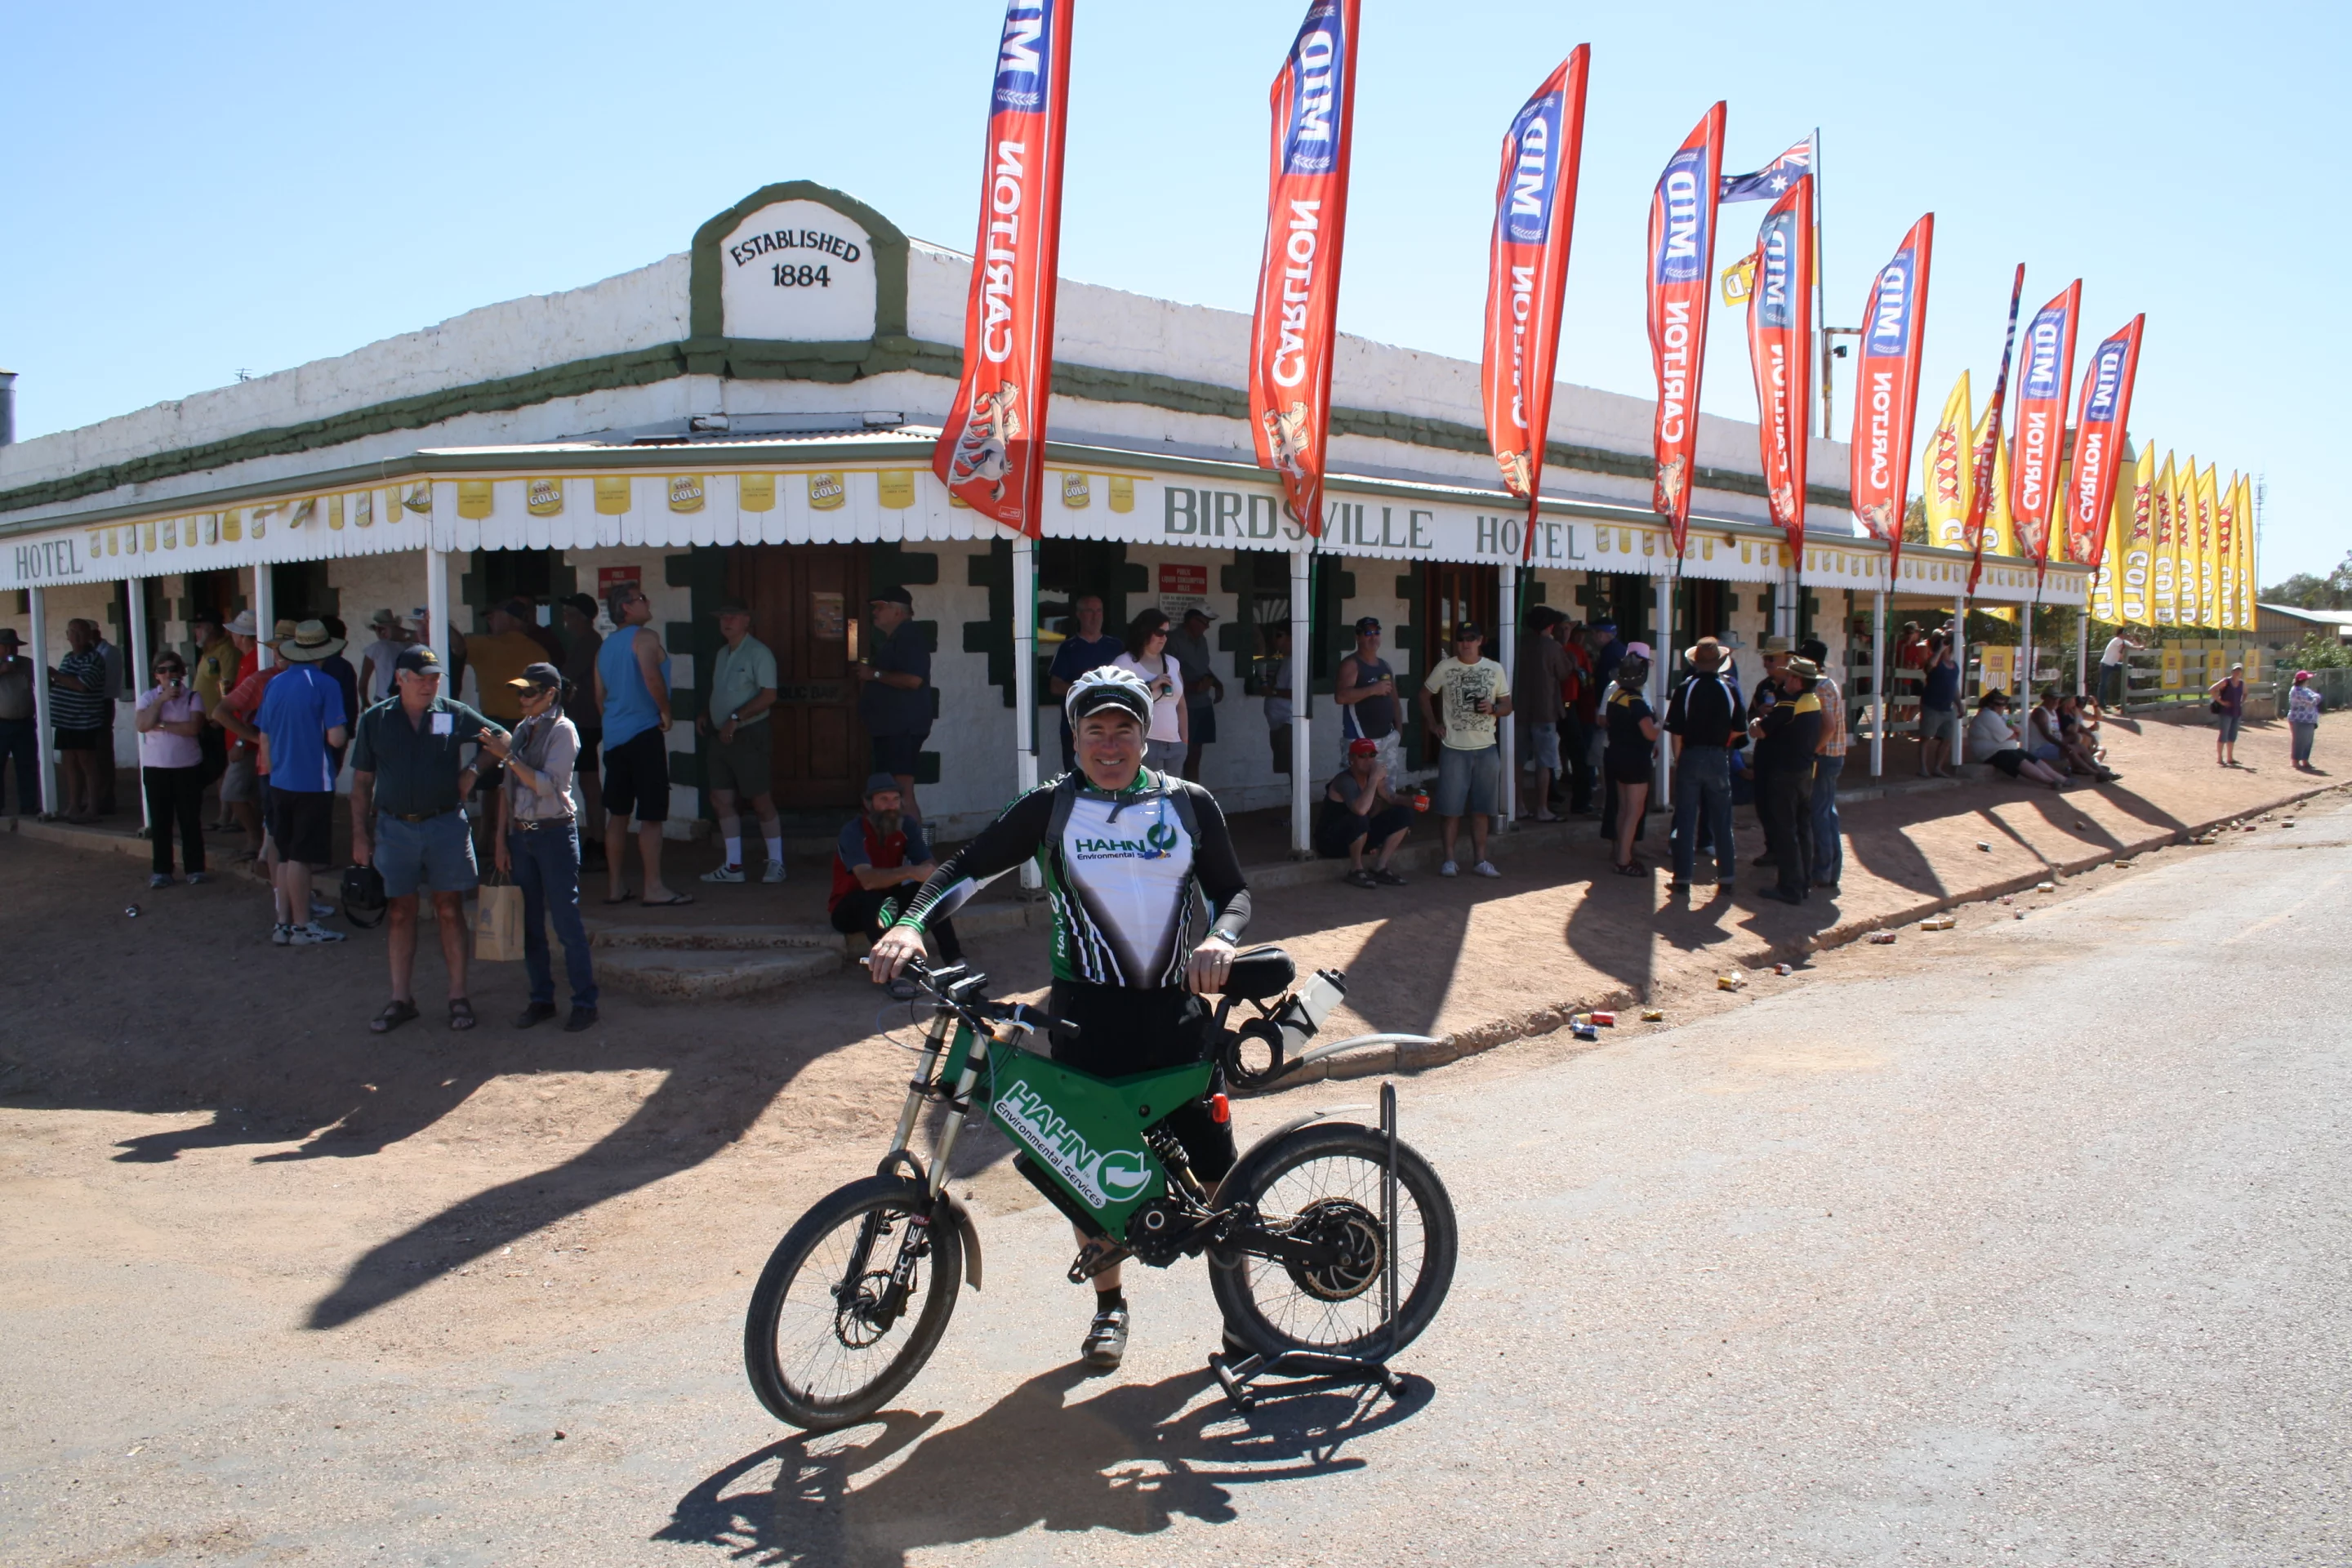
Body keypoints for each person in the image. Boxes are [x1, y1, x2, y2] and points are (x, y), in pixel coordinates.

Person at [865, 666, 1250, 1371]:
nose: (1110, 744)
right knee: (1087, 1175)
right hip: (1084, 1018)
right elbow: (966, 867)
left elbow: (1233, 893)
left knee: (1221, 1174)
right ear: (1073, 738)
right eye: (1094, 730)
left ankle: (1244, 1319)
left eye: (1124, 729)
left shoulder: (1191, 804)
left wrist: (1221, 937)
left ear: (1144, 735)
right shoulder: (1051, 807)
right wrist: (912, 924)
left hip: (1175, 1017)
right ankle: (1110, 1308)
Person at [350, 645, 506, 1032]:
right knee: (400, 912)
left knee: (449, 909)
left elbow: (502, 738)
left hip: (445, 826)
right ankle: (401, 999)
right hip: (394, 828)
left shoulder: (450, 713)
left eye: (434, 676)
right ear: (400, 679)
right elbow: (362, 782)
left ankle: (458, 997)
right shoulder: (376, 720)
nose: (429, 684)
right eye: (420, 677)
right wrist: (359, 834)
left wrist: (472, 771)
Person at [488, 662, 599, 1032]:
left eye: (529, 693)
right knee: (530, 924)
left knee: (566, 922)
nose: (521, 698)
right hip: (522, 836)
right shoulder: (521, 730)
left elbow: (547, 785)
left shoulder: (563, 730)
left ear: (550, 694)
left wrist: (508, 755)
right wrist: (501, 839)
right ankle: (541, 999)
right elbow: (508, 788)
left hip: (554, 835)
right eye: (519, 692)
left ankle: (585, 1001)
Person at [253, 621, 351, 946]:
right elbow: (336, 738)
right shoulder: (326, 684)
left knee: (283, 853)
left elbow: (264, 735)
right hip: (312, 780)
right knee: (301, 855)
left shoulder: (275, 684)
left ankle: (283, 923)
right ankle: (303, 924)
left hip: (278, 777)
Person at [595, 583, 688, 906]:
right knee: (651, 815)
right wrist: (665, 711)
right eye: (641, 599)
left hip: (615, 738)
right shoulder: (645, 638)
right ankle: (654, 888)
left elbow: (599, 696)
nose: (648, 602)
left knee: (617, 814)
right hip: (644, 733)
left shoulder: (605, 647)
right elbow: (651, 677)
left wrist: (615, 722)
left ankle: (615, 887)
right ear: (627, 608)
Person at [829, 772, 963, 969]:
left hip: (889, 903)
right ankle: (894, 970)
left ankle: (957, 962)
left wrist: (933, 875)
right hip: (850, 909)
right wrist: (910, 871)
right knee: (871, 898)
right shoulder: (853, 831)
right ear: (868, 804)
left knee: (929, 891)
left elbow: (929, 867)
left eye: (896, 799)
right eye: (884, 799)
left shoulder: (907, 826)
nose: (891, 806)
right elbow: (867, 880)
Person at [698, 597, 785, 884]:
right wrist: (707, 714)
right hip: (719, 734)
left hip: (749, 734)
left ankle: (776, 862)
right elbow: (721, 691)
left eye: (734, 616)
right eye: (723, 616)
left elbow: (769, 694)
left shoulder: (759, 653)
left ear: (747, 620)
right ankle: (733, 866)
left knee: (760, 799)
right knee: (720, 798)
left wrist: (735, 719)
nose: (727, 621)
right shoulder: (723, 653)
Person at [1416, 622, 1510, 878]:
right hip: (1454, 747)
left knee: (1482, 808)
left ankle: (1480, 860)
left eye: (1471, 638)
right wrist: (1433, 724)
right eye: (1461, 639)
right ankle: (1449, 860)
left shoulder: (1495, 668)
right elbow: (1424, 695)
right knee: (1450, 808)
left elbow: (1507, 705)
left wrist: (1493, 709)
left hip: (1487, 747)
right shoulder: (1445, 667)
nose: (1465, 643)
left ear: (1481, 640)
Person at [1665, 636, 1742, 893]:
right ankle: (1727, 877)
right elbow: (1740, 729)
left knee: (1685, 819)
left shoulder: (1685, 688)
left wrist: (1679, 759)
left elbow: (1675, 731)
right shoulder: (1729, 688)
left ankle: (1682, 878)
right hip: (1718, 756)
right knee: (1722, 819)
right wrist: (1723, 746)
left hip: (1691, 754)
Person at [1748, 657, 1824, 905]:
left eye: (1791, 675)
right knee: (1803, 830)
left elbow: (1760, 730)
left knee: (1785, 831)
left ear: (1798, 680)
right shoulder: (1812, 701)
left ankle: (1789, 887)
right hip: (1804, 771)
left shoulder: (1790, 704)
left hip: (1785, 774)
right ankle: (1802, 884)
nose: (1786, 678)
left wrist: (1755, 721)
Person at [855, 584, 933, 818]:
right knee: (891, 792)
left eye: (880, 607)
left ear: (898, 611)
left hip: (903, 728)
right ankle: (898, 849)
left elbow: (913, 680)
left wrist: (874, 674)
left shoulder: (911, 637)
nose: (875, 613)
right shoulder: (897, 638)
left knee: (902, 792)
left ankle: (916, 852)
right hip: (891, 727)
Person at [135, 648, 211, 888]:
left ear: (182, 672)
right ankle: (162, 870)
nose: (168, 674)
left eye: (173, 669)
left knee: (190, 820)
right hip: (156, 768)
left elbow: (193, 728)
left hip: (187, 767)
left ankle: (195, 868)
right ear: (156, 675)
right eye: (162, 670)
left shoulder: (193, 697)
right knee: (160, 822)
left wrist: (163, 724)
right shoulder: (149, 698)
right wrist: (161, 700)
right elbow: (142, 725)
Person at [207, 612, 266, 852]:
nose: (231, 635)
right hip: (242, 739)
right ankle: (259, 841)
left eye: (234, 632)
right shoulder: (246, 660)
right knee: (250, 793)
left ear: (244, 636)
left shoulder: (254, 662)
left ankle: (255, 840)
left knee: (233, 792)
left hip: (246, 742)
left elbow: (254, 710)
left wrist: (243, 741)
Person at [1317, 737, 1413, 886]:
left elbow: (1390, 797)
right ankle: (1356, 870)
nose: (1368, 760)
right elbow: (1360, 810)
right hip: (1331, 841)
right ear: (1352, 759)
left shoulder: (1371, 778)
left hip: (1358, 837)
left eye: (1372, 755)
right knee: (1359, 817)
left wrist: (1412, 800)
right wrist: (1374, 779)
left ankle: (1380, 867)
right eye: (1363, 756)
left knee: (1404, 813)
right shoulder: (1344, 780)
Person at [1046, 592, 1124, 772]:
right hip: (1076, 729)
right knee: (1078, 782)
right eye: (1089, 611)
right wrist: (1084, 685)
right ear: (1079, 615)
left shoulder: (1117, 647)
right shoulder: (1068, 648)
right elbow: (1055, 686)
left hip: (1113, 728)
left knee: (1111, 780)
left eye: (1099, 611)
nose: (1095, 616)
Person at [47, 618, 113, 822]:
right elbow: (65, 682)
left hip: (84, 720)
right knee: (69, 762)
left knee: (87, 763)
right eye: (72, 632)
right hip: (65, 720)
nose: (76, 636)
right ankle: (73, 805)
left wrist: (56, 676)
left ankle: (93, 807)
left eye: (80, 632)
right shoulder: (68, 657)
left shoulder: (94, 658)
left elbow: (83, 685)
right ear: (67, 635)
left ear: (89, 636)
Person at [1602, 648, 1659, 876]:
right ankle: (1624, 859)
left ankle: (1620, 853)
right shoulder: (1636, 701)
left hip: (1616, 754)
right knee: (1633, 811)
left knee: (1624, 809)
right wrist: (1662, 723)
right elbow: (1650, 733)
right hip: (1634, 759)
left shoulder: (1615, 696)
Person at [1112, 608, 1187, 774]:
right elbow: (1114, 701)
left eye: (1167, 634)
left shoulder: (1173, 663)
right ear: (1146, 632)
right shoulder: (1125, 662)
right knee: (1145, 796)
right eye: (1160, 633)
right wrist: (1149, 686)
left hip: (1175, 744)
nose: (1164, 638)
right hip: (1143, 742)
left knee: (1171, 796)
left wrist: (1184, 741)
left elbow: (1181, 705)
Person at [557, 593, 605, 852]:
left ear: (583, 617)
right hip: (581, 720)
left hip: (586, 721)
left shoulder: (590, 641)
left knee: (588, 780)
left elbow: (565, 677)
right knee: (586, 780)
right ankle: (595, 836)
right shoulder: (583, 641)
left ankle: (598, 839)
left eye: (570, 612)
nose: (565, 617)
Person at [1515, 609, 1573, 823]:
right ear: (1550, 627)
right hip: (1545, 711)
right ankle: (1542, 808)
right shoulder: (1552, 647)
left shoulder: (1518, 644)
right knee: (1545, 762)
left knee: (1517, 761)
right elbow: (1564, 673)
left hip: (1518, 710)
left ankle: (1518, 805)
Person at [1798, 637, 1846, 894]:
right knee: (1828, 813)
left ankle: (1823, 871)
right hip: (1833, 755)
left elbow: (1828, 725)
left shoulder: (1820, 687)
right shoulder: (1828, 684)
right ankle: (1830, 870)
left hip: (1825, 756)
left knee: (1819, 814)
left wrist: (1813, 749)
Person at [1334, 616, 1405, 782]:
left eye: (1376, 632)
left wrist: (1398, 731)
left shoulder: (1384, 665)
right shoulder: (1351, 664)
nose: (1373, 637)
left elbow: (1394, 700)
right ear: (1357, 637)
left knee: (1388, 788)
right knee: (1360, 789)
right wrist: (1373, 689)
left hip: (1388, 738)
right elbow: (1341, 696)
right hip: (1361, 739)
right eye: (1367, 633)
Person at [1166, 607, 1223, 782]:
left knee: (1196, 756)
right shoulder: (1173, 641)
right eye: (1204, 622)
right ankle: (1178, 800)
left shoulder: (1202, 640)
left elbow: (1203, 667)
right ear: (1192, 620)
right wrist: (1192, 687)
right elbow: (1167, 675)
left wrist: (1216, 683)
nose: (1206, 627)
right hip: (1183, 707)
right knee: (1181, 756)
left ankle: (1193, 798)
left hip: (1202, 705)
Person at [1967, 692, 2066, 791]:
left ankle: (2060, 778)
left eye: (2003, 704)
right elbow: (2010, 735)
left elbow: (2017, 728)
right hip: (1991, 753)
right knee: (2018, 760)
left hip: (2004, 749)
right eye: (1999, 704)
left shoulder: (2001, 717)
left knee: (2029, 757)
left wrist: (2014, 731)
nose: (2002, 707)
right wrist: (2014, 732)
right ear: (1991, 705)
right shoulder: (1988, 715)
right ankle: (2050, 781)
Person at [1562, 621, 1598, 814]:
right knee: (1576, 750)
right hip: (1563, 704)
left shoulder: (1580, 651)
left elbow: (1587, 681)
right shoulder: (1559, 649)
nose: (1579, 636)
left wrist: (1579, 669)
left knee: (1579, 749)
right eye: (1575, 632)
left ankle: (1582, 796)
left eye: (1581, 633)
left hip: (1575, 704)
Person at [0, 629, 37, 818]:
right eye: (5, 646)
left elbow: (42, 682)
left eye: (13, 647)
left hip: (24, 721)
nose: (10, 651)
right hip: (1, 722)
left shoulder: (27, 664)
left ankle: (29, 805)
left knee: (27, 765)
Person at [318, 616, 361, 782]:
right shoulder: (343, 667)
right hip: (336, 731)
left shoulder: (307, 666)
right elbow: (350, 703)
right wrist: (349, 730)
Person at [1917, 629, 1961, 778]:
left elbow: (1954, 687)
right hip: (1931, 706)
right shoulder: (1935, 662)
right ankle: (1923, 767)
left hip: (1947, 708)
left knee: (1947, 739)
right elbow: (1929, 667)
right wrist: (1940, 650)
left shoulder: (1954, 666)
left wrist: (1959, 705)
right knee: (1926, 738)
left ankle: (1938, 767)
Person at [90, 619, 123, 814]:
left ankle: (105, 797)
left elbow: (99, 682)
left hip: (102, 702)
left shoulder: (107, 653)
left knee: (101, 751)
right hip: (97, 703)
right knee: (93, 752)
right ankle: (99, 796)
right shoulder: (100, 651)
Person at [2054, 693, 2119, 782]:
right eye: (2073, 700)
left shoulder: (2074, 711)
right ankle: (2090, 769)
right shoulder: (2062, 714)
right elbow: (2073, 731)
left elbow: (2098, 718)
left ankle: (2096, 765)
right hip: (2070, 742)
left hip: (2080, 743)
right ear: (2067, 702)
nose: (2075, 702)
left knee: (2101, 749)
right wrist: (2077, 717)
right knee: (2082, 737)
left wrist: (2095, 705)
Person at [358, 609, 411, 706]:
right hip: (406, 698)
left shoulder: (376, 648)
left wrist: (364, 701)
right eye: (377, 629)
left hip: (386, 700)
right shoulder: (411, 646)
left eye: (382, 629)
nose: (379, 632)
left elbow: (363, 681)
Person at [1262, 626, 1294, 774]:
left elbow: (1296, 693)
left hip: (1288, 722)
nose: (1275, 640)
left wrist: (1272, 691)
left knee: (1293, 767)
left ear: (1291, 637)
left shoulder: (1296, 662)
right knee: (1287, 767)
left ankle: (1299, 798)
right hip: (1278, 723)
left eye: (1279, 635)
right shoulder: (1285, 659)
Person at [2208, 662, 2247, 767]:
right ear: (2232, 671)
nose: (2237, 672)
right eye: (2235, 670)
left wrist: (2242, 703)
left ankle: (2230, 757)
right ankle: (2220, 758)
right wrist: (2222, 702)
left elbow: (2245, 693)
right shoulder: (2226, 681)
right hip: (2226, 712)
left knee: (2232, 735)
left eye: (2239, 670)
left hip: (2236, 712)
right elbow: (2212, 690)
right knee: (2223, 734)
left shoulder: (2242, 683)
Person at [2098, 630, 2143, 710]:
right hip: (2106, 664)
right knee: (2103, 684)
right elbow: (2129, 647)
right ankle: (2101, 703)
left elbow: (2136, 648)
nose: (2127, 634)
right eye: (2125, 633)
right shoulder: (2116, 640)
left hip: (2113, 664)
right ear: (2121, 634)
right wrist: (2139, 647)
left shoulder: (2124, 641)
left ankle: (2129, 688)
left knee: (2129, 667)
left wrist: (2132, 639)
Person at [2287, 670, 2322, 771]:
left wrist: (2315, 699)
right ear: (2303, 680)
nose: (2309, 681)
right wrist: (2314, 699)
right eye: (2307, 679)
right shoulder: (2296, 690)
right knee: (2299, 740)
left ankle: (2305, 759)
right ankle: (2295, 760)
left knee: (2308, 741)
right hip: (2298, 719)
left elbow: (2318, 697)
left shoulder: (2305, 689)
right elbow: (2311, 700)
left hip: (2309, 720)